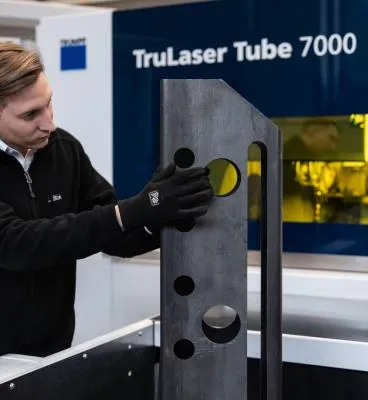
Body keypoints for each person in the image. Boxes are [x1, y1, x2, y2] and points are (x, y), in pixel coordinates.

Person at [0, 42, 214, 357]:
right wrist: (133, 210)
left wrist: (158, 215)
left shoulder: (64, 149)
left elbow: (115, 235)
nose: (49, 123)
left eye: (49, 104)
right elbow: (15, 245)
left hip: (48, 354)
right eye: (30, 114)